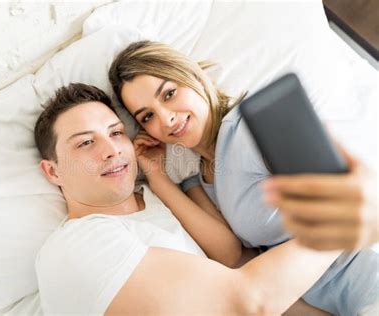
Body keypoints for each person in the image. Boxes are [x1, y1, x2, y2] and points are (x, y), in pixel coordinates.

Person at [109, 40, 378, 315]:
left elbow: (349, 203)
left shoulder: (250, 130)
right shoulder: (202, 177)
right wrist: (158, 177)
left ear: (193, 78)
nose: (166, 119)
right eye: (147, 116)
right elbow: (228, 254)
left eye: (169, 94)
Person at [33, 83, 340, 315]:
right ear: (53, 171)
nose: (112, 149)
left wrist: (158, 175)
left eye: (115, 133)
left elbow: (232, 256)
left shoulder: (153, 199)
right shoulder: (77, 246)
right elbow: (246, 301)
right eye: (86, 142)